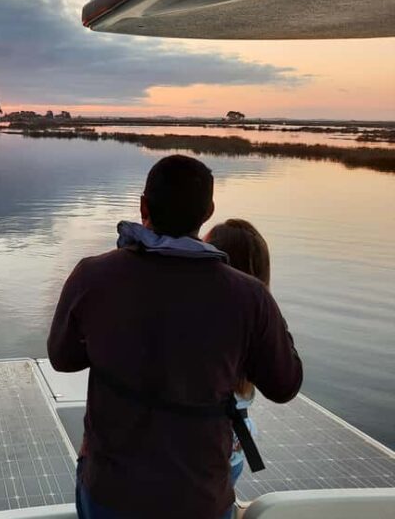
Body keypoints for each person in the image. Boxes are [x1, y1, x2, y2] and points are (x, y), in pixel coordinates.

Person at [47, 155, 302, 519]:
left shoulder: (93, 275)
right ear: (208, 211)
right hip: (199, 499)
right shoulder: (248, 295)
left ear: (143, 206)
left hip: (110, 490)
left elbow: (63, 358)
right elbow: (285, 385)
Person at [205, 219, 272, 489]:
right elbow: (285, 383)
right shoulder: (258, 321)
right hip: (233, 451)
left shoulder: (203, 318)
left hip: (199, 451)